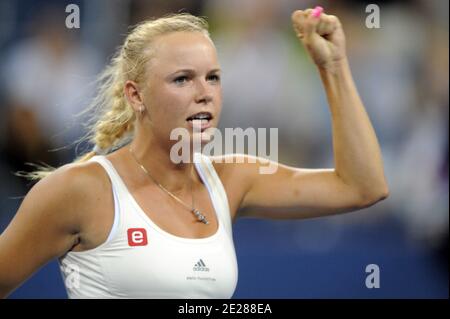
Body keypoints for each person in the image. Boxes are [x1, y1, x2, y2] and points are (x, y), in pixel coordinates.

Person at [0, 8, 389, 298]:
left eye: (213, 77)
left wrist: (333, 66)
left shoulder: (233, 178)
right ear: (136, 95)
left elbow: (362, 186)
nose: (204, 92)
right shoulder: (80, 189)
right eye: (182, 78)